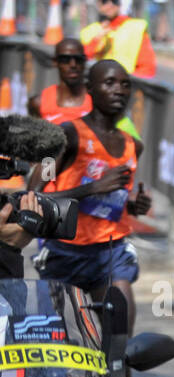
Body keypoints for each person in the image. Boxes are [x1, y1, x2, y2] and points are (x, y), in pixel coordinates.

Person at [34, 59, 151, 334]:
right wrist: (92, 188)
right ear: (90, 89)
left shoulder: (134, 145)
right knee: (60, 345)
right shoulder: (65, 135)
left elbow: (114, 200)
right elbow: (35, 195)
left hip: (110, 253)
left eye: (125, 84)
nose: (119, 90)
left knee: (120, 344)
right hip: (64, 253)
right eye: (109, 83)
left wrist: (133, 205)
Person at [80, 0, 157, 79]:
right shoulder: (90, 31)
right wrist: (97, 39)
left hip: (127, 83)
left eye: (114, 1)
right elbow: (81, 59)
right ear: (98, 3)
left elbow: (147, 68)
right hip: (99, 83)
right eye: (104, 1)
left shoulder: (136, 27)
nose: (110, 5)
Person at [28, 39, 91, 125]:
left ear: (85, 61)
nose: (73, 65)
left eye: (78, 59)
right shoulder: (38, 103)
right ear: (55, 62)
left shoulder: (97, 101)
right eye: (65, 59)